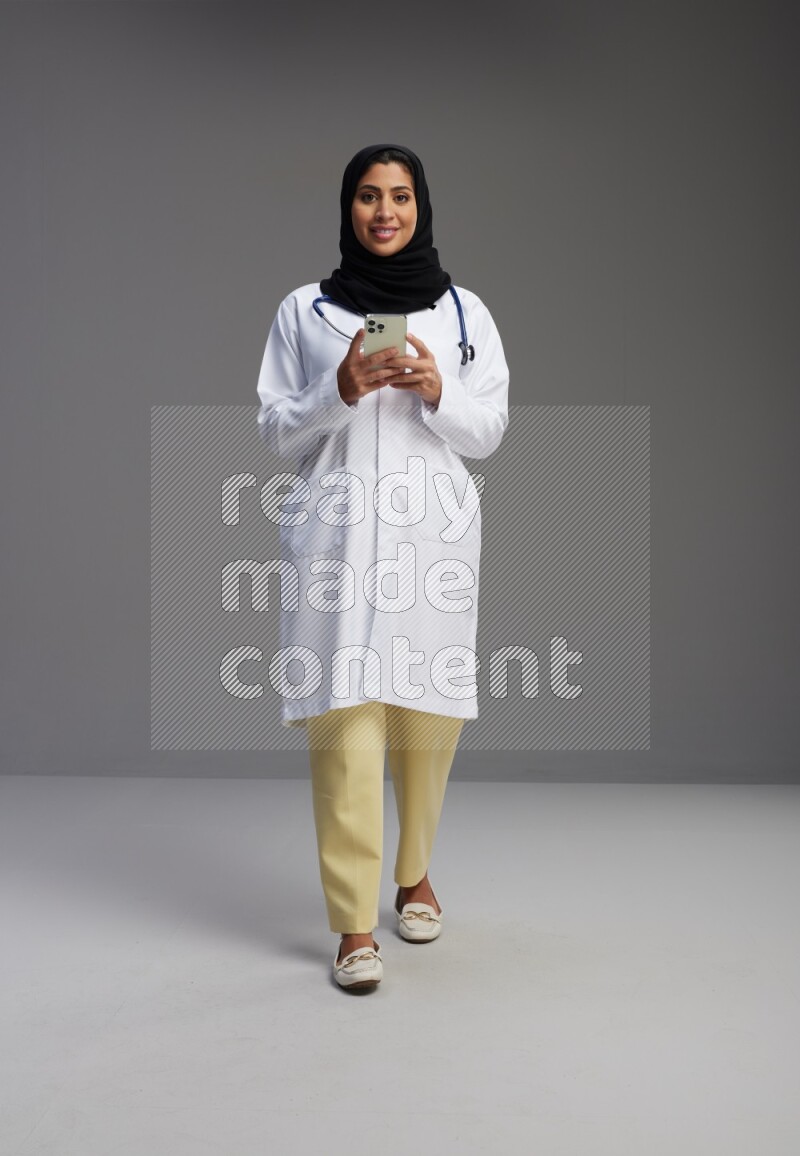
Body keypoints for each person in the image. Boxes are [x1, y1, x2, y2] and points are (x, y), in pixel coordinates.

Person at [256, 143, 510, 990]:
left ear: (421, 205)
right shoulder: (305, 311)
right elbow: (275, 431)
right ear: (348, 208)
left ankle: (415, 872)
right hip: (338, 544)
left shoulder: (463, 312)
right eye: (368, 196)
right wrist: (341, 387)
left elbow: (490, 432)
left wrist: (439, 389)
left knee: (427, 724)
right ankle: (353, 924)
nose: (385, 211)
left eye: (400, 196)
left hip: (430, 545)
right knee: (344, 726)